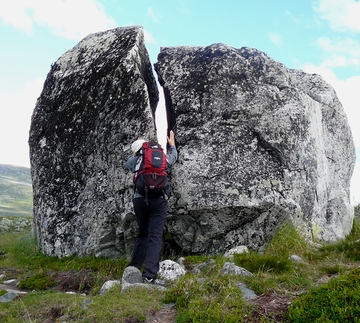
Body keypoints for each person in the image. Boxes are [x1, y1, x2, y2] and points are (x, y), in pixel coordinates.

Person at [125, 130, 177, 283]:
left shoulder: (134, 161)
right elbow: (172, 159)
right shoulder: (161, 158)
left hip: (140, 201)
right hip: (159, 201)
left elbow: (130, 165)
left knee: (143, 233)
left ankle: (133, 267)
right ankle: (149, 275)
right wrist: (172, 146)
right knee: (155, 236)